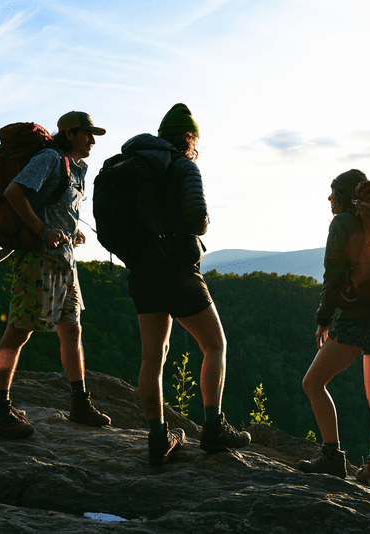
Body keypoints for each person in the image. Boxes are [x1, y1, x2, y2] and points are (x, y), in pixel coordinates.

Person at [121, 103, 250, 465]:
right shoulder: (183, 166)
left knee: (152, 356)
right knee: (215, 344)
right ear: (189, 138)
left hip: (142, 271)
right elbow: (196, 219)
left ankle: (158, 437)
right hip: (177, 269)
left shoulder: (134, 167)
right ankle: (213, 428)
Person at [0, 111, 111, 438]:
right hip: (37, 260)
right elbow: (15, 192)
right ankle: (0, 409)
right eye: (87, 134)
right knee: (18, 332)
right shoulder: (50, 158)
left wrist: (70, 232)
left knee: (72, 330)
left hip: (64, 263)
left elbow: (55, 206)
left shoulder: (73, 167)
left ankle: (79, 403)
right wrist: (42, 230)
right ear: (69, 133)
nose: (92, 140)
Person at [298, 169, 370, 489]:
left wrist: (323, 319)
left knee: (313, 383)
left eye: (333, 193)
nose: (329, 199)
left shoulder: (342, 222)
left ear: (344, 196)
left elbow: (333, 273)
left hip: (357, 318)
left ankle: (332, 457)